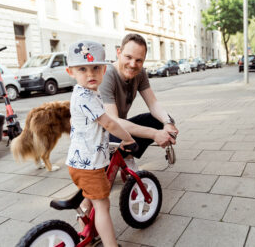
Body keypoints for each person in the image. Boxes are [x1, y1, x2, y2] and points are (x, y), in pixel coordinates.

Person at [65, 40, 135, 247]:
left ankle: (85, 232)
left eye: (96, 67)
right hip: (90, 165)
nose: (90, 74)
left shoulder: (81, 93)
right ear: (71, 72)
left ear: (104, 69)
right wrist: (127, 138)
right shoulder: (87, 97)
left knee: (88, 198)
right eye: (82, 69)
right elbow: (108, 123)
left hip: (79, 162)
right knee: (103, 205)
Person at [99, 34, 179, 170]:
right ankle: (121, 158)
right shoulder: (107, 74)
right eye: (128, 57)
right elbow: (113, 121)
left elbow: (153, 103)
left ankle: (127, 156)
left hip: (117, 131)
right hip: (99, 137)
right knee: (121, 128)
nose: (133, 64)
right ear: (119, 53)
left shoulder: (140, 73)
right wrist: (154, 134)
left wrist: (168, 123)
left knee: (158, 120)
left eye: (138, 60)